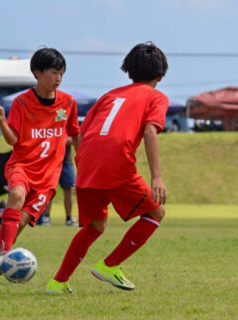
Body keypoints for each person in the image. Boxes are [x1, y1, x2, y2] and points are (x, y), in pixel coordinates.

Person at [46, 41, 169, 294]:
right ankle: (110, 265)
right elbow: (149, 131)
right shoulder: (156, 96)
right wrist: (157, 176)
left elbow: (84, 131)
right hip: (116, 162)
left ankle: (57, 283)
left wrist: (88, 163)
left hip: (86, 162)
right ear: (160, 75)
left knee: (96, 225)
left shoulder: (109, 95)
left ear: (129, 71)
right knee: (156, 214)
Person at [0, 47, 80, 283]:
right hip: (22, 167)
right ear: (37, 72)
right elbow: (13, 140)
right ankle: (4, 255)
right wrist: (2, 122)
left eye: (62, 74)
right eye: (54, 73)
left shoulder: (68, 103)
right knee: (16, 193)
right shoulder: (22, 102)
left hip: (48, 179)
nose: (58, 79)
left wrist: (84, 165)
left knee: (15, 229)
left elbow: (75, 135)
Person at [40, 138, 78, 226]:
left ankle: (69, 218)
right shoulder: (50, 125)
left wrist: (59, 139)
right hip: (50, 162)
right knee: (49, 190)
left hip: (66, 162)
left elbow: (73, 140)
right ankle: (46, 217)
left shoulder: (67, 125)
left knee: (68, 190)